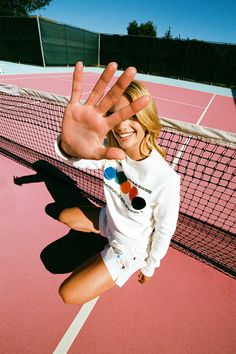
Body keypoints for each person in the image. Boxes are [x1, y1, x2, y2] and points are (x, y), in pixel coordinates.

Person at [54, 61, 180, 304]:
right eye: (114, 115)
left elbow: (164, 230)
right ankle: (104, 241)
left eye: (132, 116)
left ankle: (116, 260)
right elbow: (79, 159)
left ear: (147, 118)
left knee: (67, 294)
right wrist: (68, 146)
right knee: (63, 215)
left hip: (129, 247)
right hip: (110, 220)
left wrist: (150, 267)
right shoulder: (112, 151)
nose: (122, 125)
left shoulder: (166, 179)